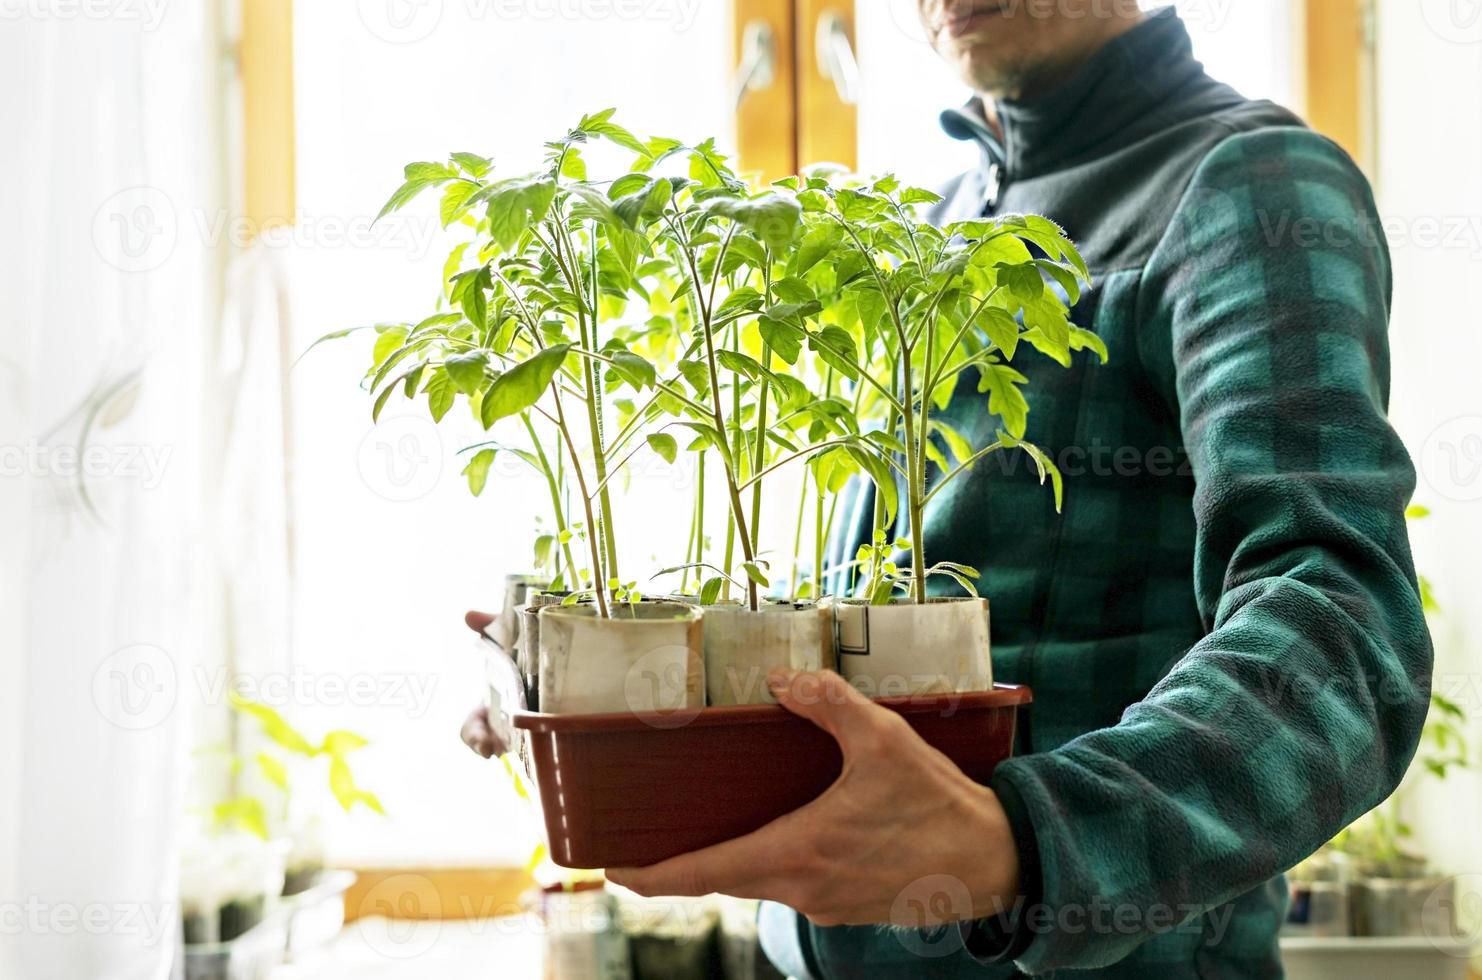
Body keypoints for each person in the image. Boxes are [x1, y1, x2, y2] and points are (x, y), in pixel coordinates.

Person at [464, 3, 1433, 976]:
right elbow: (843, 676)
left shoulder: (1248, 186)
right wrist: (602, 697)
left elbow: (1344, 628)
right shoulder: (944, 224)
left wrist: (1018, 841)